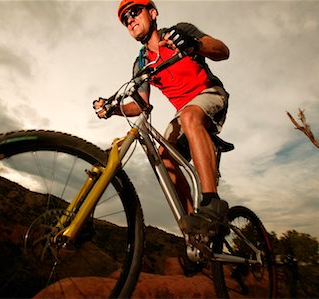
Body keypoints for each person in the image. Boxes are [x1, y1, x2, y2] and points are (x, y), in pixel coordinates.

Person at [94, 0, 230, 239]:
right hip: (184, 114)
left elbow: (222, 51)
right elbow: (140, 105)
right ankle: (195, 232)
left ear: (153, 13)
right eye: (126, 19)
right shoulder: (142, 64)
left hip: (210, 95)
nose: (130, 20)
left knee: (189, 115)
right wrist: (112, 107)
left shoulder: (179, 32)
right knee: (163, 160)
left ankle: (212, 205)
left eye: (134, 12)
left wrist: (195, 44)